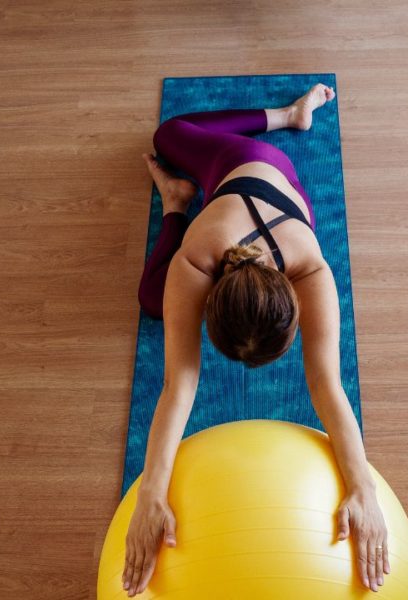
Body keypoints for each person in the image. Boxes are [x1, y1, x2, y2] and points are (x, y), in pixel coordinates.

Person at [124, 84, 390, 596]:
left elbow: (327, 385)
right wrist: (149, 496)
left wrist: (364, 487)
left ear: (293, 299)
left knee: (168, 143)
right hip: (230, 170)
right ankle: (191, 190)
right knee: (152, 294)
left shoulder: (310, 267)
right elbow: (177, 386)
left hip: (265, 169)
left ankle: (275, 126)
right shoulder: (196, 258)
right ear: (211, 295)